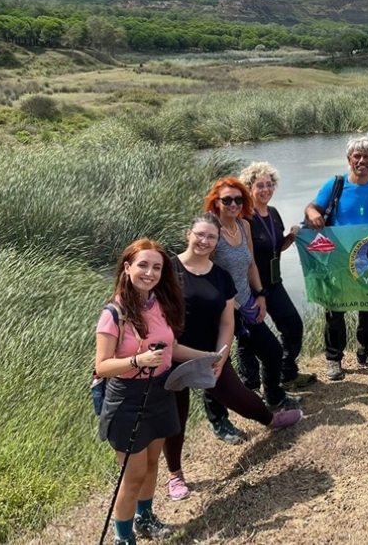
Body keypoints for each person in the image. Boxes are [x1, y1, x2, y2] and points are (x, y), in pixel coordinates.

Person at [163, 215, 303, 502]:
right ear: (188, 234)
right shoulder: (169, 270)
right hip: (172, 357)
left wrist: (221, 354)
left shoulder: (220, 275)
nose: (204, 241)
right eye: (199, 235)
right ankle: (175, 474)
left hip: (212, 354)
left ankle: (270, 420)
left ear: (217, 242)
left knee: (239, 397)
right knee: (175, 418)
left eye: (211, 237)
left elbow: (228, 322)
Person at [95, 239, 220, 545]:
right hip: (127, 399)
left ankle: (145, 518)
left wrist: (205, 357)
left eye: (156, 267)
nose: (149, 272)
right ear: (127, 268)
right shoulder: (113, 314)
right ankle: (123, 538)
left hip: (160, 391)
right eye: (143, 265)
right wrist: (138, 360)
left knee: (152, 464)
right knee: (133, 473)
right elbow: (102, 366)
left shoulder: (159, 305)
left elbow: (171, 348)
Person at [202, 178, 300, 445]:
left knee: (272, 351)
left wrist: (260, 295)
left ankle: (274, 396)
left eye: (238, 199)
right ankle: (219, 420)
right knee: (216, 365)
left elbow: (251, 266)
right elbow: (199, 270)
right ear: (216, 202)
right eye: (227, 200)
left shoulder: (244, 226)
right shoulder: (209, 229)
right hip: (217, 310)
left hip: (245, 305)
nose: (234, 204)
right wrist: (223, 300)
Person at [305, 135, 368, 381]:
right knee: (335, 309)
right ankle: (334, 360)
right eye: (357, 156)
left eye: (367, 157)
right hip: (337, 257)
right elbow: (313, 207)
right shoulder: (336, 184)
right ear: (349, 160)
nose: (362, 161)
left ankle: (365, 352)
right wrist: (312, 214)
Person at [240, 161, 317, 391]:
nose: (265, 189)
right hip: (252, 288)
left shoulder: (272, 212)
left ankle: (287, 374)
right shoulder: (245, 219)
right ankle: (251, 386)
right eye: (260, 185)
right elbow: (248, 258)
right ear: (249, 188)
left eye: (269, 184)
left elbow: (275, 247)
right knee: (248, 338)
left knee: (293, 326)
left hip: (274, 283)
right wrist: (256, 292)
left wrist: (291, 239)